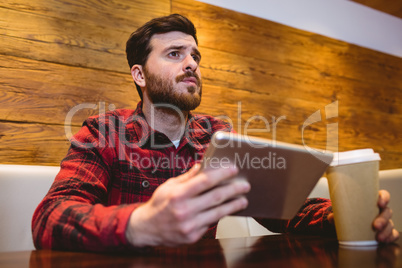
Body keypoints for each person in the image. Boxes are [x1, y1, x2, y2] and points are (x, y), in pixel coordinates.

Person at [32, 14, 399, 251]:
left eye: (195, 56)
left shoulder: (217, 134)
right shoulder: (103, 131)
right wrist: (141, 224)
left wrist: (345, 215)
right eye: (175, 54)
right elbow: (50, 217)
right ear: (139, 75)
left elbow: (282, 209)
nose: (191, 64)